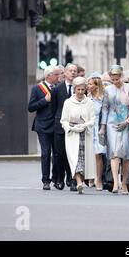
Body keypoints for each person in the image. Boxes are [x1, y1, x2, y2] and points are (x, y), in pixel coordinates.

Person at [99, 65, 129, 194]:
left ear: (121, 76)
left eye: (117, 78)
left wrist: (128, 120)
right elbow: (104, 108)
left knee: (126, 154)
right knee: (114, 153)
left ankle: (124, 182)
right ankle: (115, 182)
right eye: (113, 79)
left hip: (128, 122)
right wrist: (103, 127)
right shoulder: (108, 89)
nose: (115, 81)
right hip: (112, 124)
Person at [60, 77, 96, 194]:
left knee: (82, 159)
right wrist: (70, 128)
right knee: (74, 159)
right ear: (74, 89)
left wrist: (85, 125)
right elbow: (63, 120)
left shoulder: (89, 102)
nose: (80, 92)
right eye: (78, 89)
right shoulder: (68, 103)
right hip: (72, 135)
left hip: (85, 134)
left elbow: (93, 119)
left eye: (82, 89)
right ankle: (79, 183)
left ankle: (81, 181)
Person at [28, 65, 58, 190]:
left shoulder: (58, 88)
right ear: (48, 76)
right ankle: (46, 180)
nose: (58, 77)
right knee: (46, 153)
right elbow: (31, 107)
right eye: (56, 75)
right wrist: (44, 101)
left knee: (57, 154)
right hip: (43, 126)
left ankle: (57, 178)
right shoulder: (37, 88)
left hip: (56, 126)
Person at [51, 63, 78, 191]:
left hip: (75, 127)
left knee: (72, 155)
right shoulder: (57, 89)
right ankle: (59, 179)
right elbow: (54, 108)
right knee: (60, 154)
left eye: (75, 71)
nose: (73, 73)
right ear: (65, 73)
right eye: (70, 71)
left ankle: (72, 180)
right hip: (60, 126)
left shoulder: (79, 88)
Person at [87, 73, 107, 190]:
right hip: (88, 128)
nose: (88, 86)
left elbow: (105, 113)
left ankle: (98, 179)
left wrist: (102, 128)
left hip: (99, 128)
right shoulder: (86, 98)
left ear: (96, 85)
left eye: (90, 84)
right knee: (89, 154)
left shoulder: (103, 98)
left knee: (98, 154)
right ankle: (90, 177)